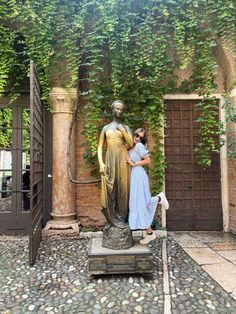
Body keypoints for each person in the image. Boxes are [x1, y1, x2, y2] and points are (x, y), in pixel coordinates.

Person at [126, 128, 169, 244]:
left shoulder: (139, 146)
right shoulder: (130, 147)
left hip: (138, 174)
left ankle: (150, 233)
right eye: (136, 135)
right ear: (133, 135)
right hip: (133, 175)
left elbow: (148, 160)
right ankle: (159, 198)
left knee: (140, 204)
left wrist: (134, 163)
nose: (137, 138)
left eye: (140, 137)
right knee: (138, 203)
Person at [97, 100, 133, 229]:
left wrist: (123, 130)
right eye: (117, 109)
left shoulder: (125, 127)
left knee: (123, 189)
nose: (119, 111)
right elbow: (100, 147)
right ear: (113, 110)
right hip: (110, 160)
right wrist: (101, 163)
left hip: (122, 160)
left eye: (121, 109)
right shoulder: (105, 128)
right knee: (110, 189)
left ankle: (122, 218)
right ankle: (111, 219)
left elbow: (131, 143)